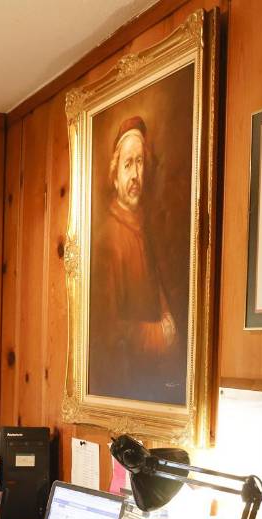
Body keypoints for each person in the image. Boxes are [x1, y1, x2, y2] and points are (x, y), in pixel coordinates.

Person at [89, 115, 186, 405]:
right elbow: (106, 329)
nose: (135, 175)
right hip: (125, 376)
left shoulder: (147, 227)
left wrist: (170, 323)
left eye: (140, 163)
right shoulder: (108, 239)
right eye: (128, 164)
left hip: (154, 380)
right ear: (115, 174)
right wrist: (157, 335)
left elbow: (158, 287)